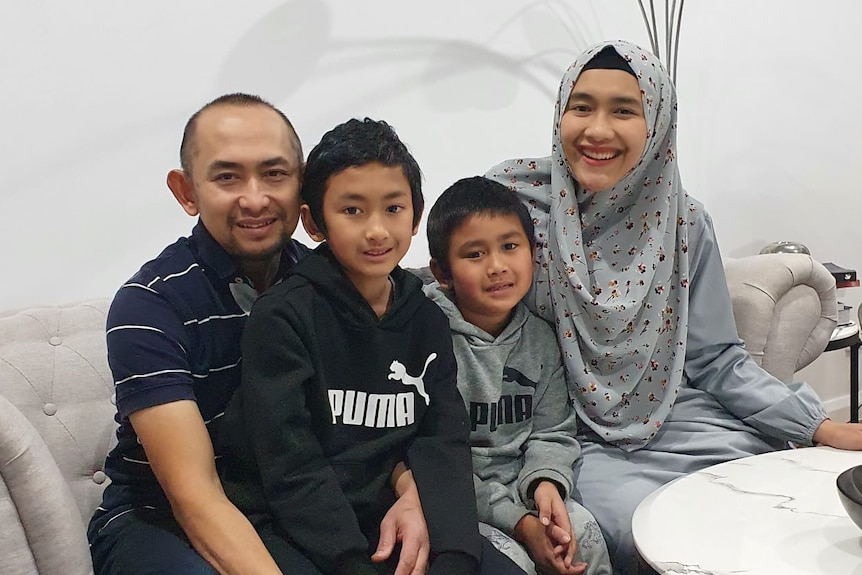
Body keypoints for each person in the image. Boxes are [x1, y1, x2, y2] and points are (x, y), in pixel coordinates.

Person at [485, 40, 862, 574]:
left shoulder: (683, 221)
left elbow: (716, 360)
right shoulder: (513, 206)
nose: (597, 129)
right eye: (581, 106)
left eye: (624, 110)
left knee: (778, 503)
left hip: (678, 417)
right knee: (635, 529)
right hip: (569, 433)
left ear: (658, 123)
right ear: (560, 114)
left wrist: (816, 426)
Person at [88, 95, 427, 575]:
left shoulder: (335, 282)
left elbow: (373, 413)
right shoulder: (149, 304)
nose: (255, 198)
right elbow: (196, 496)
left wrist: (410, 490)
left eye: (274, 174)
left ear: (302, 184)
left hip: (298, 502)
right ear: (187, 192)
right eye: (227, 176)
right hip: (162, 518)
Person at [216, 118, 527, 575]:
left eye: (393, 208)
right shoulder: (284, 317)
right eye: (353, 211)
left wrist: (456, 554)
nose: (377, 230)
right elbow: (291, 467)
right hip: (291, 527)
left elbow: (441, 442)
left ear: (416, 216)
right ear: (313, 221)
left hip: (386, 518)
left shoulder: (426, 319)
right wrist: (351, 564)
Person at [422, 176, 612, 575]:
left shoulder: (541, 337)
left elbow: (553, 431)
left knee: (586, 540)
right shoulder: (427, 335)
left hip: (525, 487)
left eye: (510, 247)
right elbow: (436, 459)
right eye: (474, 254)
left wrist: (547, 485)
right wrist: (520, 523)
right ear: (441, 271)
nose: (497, 267)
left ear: (533, 253)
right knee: (515, 564)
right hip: (458, 497)